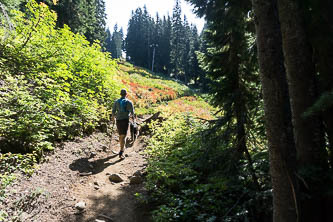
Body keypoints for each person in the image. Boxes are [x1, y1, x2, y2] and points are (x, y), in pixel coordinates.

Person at [111, 89, 135, 158]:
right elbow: (132, 113)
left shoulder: (116, 102)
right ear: (126, 94)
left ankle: (121, 148)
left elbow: (113, 111)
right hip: (125, 120)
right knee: (123, 136)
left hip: (118, 120)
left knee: (120, 135)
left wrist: (113, 119)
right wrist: (134, 120)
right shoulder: (129, 102)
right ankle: (121, 151)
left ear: (120, 94)